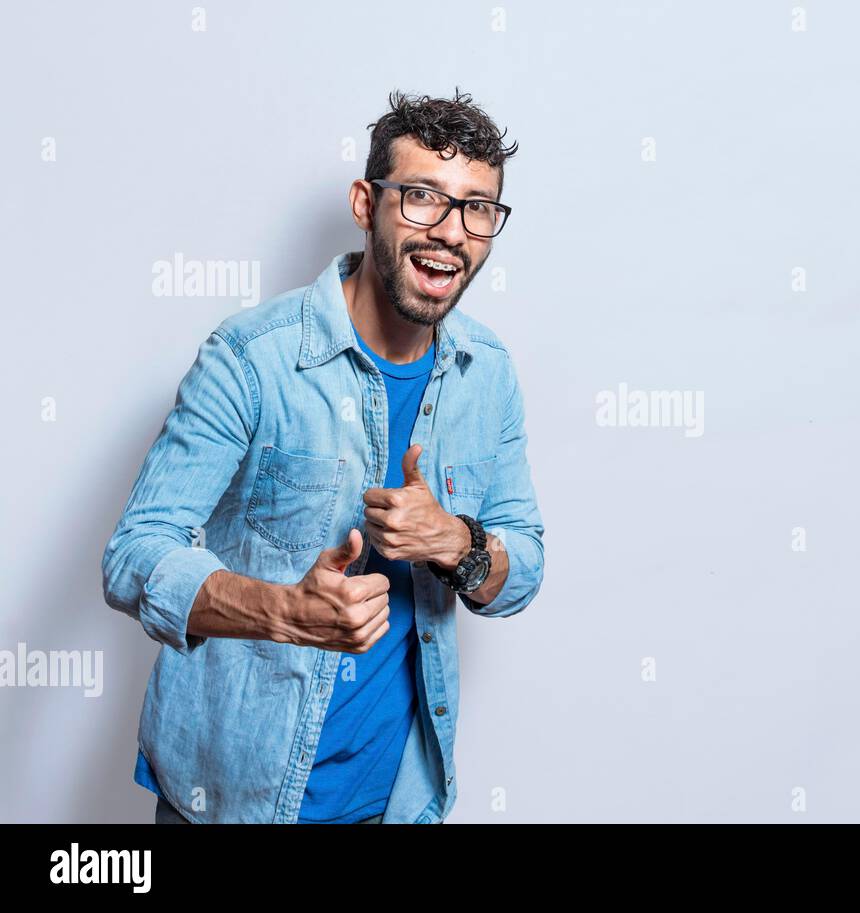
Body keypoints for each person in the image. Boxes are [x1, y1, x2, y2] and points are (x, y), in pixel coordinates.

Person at [102, 89, 544, 824]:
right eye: (423, 198)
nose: (451, 232)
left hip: (393, 804)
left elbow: (523, 564)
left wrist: (458, 542)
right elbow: (133, 555)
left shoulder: (487, 374)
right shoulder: (251, 360)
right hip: (232, 801)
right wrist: (283, 612)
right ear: (366, 203)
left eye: (477, 208)